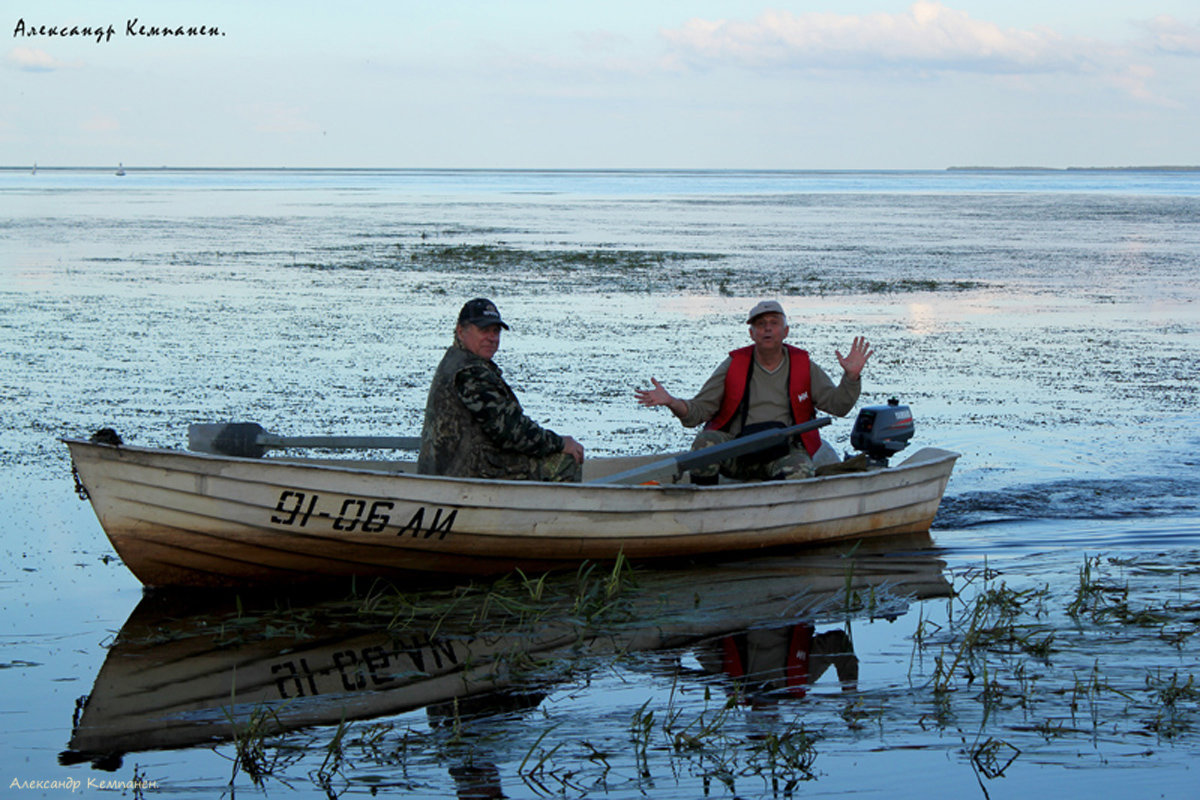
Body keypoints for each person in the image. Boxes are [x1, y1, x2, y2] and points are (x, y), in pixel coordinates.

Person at [635, 300, 871, 483]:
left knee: (800, 472)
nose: (767, 329)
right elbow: (698, 412)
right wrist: (671, 401)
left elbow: (838, 406)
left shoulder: (803, 365)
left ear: (785, 331)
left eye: (773, 323)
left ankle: (775, 516)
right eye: (760, 324)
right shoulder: (734, 364)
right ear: (752, 333)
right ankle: (705, 504)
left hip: (782, 452)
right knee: (703, 444)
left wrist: (851, 377)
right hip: (738, 451)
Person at [418, 298, 584, 482]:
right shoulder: (469, 373)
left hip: (457, 467)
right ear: (460, 331)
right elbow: (511, 431)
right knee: (565, 462)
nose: (492, 338)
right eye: (484, 331)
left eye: (496, 331)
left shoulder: (457, 360)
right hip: (463, 474)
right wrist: (560, 443)